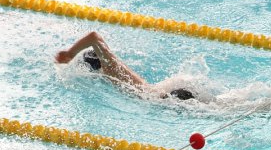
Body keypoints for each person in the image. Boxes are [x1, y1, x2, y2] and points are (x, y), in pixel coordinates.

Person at [55, 31, 196, 101]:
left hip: (159, 99)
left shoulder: (110, 68)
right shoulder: (113, 70)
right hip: (157, 93)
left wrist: (70, 53)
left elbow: (94, 37)